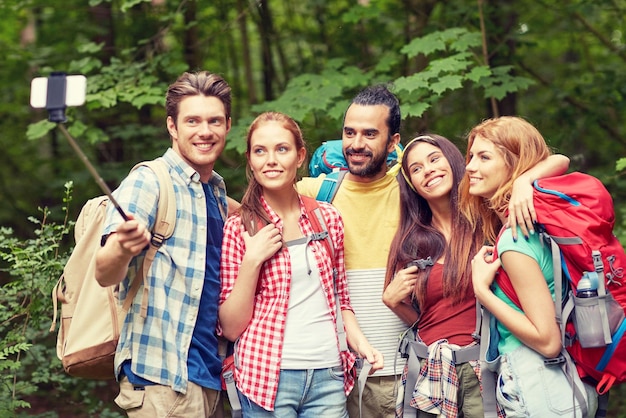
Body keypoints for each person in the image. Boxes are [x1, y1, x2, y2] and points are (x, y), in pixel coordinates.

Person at [382, 133, 569, 417]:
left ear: (457, 163)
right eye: (416, 168)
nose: (428, 170)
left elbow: (560, 161)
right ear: (412, 185)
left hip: (487, 370)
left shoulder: (488, 217)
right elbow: (432, 319)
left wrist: (522, 182)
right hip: (431, 376)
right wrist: (395, 303)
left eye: (434, 159)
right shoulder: (410, 241)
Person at [218, 111, 383, 417]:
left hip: (329, 375)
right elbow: (230, 327)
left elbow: (340, 299)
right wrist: (252, 260)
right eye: (260, 151)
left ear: (299, 156)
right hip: (265, 378)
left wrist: (362, 344)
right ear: (250, 161)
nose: (271, 160)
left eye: (282, 149)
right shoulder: (238, 228)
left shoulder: (327, 217)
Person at [95, 70, 234, 417]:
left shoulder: (216, 192)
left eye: (214, 121)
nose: (205, 131)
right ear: (172, 126)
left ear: (228, 125)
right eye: (193, 121)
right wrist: (121, 247)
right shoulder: (150, 180)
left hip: (209, 377)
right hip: (162, 379)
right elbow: (104, 271)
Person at [463, 116, 598, 417]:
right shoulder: (538, 224)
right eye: (471, 156)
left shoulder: (514, 240)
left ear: (513, 165)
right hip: (563, 385)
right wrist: (525, 181)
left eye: (484, 157)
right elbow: (559, 160)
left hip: (539, 384)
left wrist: (483, 292)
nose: (470, 166)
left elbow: (547, 341)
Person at [297, 85, 406, 418]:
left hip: (405, 370)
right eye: (350, 132)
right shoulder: (315, 193)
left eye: (370, 133)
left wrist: (522, 183)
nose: (356, 144)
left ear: (393, 141)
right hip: (334, 376)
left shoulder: (415, 191)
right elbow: (244, 213)